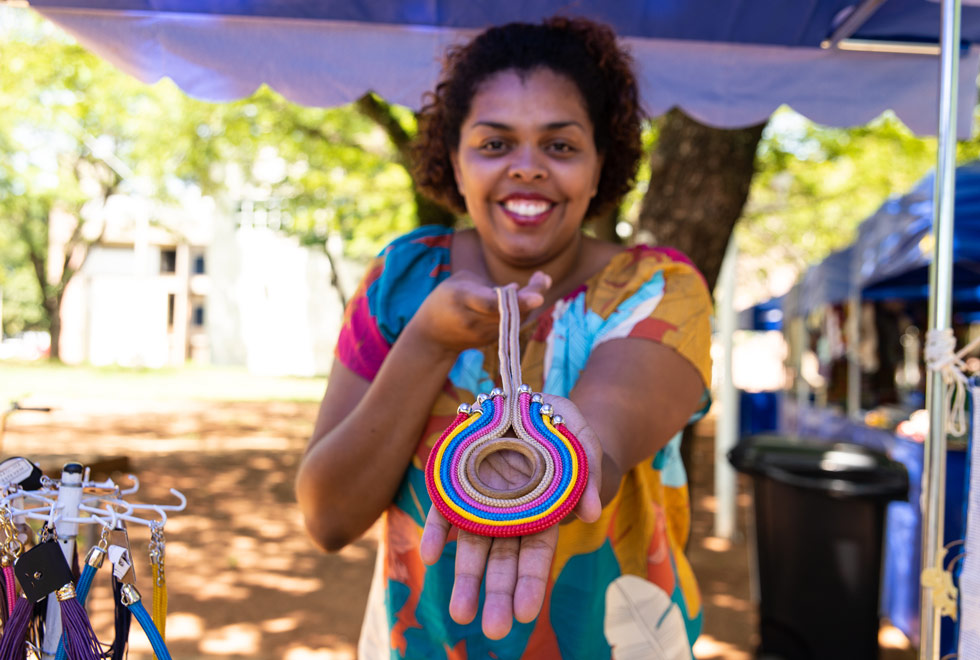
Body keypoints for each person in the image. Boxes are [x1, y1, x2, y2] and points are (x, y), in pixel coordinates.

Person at [296, 16, 712, 659]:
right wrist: (428, 343)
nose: (527, 169)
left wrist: (542, 475)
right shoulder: (400, 284)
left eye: (561, 147)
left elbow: (600, 441)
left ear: (601, 167)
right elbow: (327, 518)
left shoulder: (658, 290)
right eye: (494, 145)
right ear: (455, 165)